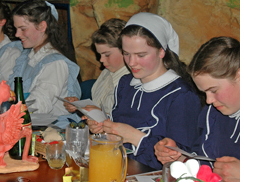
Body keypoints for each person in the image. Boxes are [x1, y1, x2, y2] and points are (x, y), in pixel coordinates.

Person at [84, 12, 202, 170]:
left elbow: (183, 161)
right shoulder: (126, 83)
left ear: (162, 52)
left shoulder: (181, 95)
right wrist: (103, 128)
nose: (132, 62)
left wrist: (135, 137)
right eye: (126, 54)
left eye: (141, 55)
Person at [154, 36, 240, 182]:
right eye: (204, 92)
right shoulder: (211, 113)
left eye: (213, 90)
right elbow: (203, 165)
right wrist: (178, 156)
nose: (208, 100)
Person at [8, 0, 81, 119]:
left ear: (42, 26)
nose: (16, 34)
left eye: (23, 29)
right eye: (16, 29)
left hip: (52, 131)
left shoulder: (55, 63)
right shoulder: (28, 57)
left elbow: (38, 106)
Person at [63, 18, 130, 118]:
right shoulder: (106, 72)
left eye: (107, 55)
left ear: (125, 51)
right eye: (99, 55)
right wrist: (80, 106)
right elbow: (98, 108)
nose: (101, 60)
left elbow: (124, 120)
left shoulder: (133, 82)